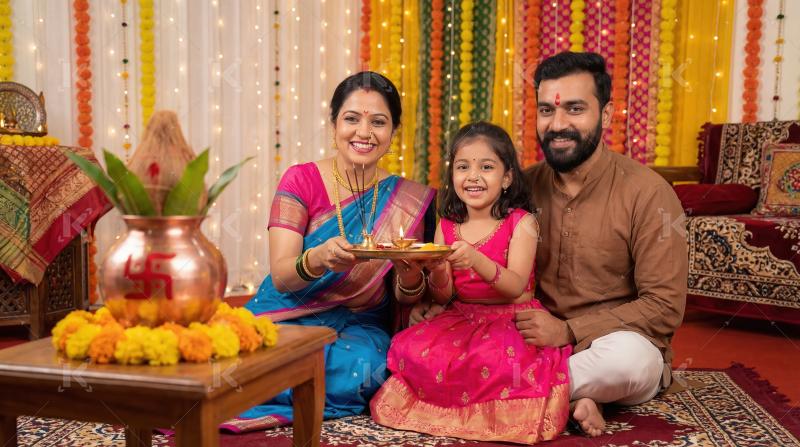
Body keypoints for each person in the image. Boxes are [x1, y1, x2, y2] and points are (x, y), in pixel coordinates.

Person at [412, 52, 688, 438]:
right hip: (523, 340)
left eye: (575, 109)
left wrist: (568, 331)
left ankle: (501, 392)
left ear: (607, 114)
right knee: (437, 347)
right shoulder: (518, 189)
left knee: (629, 362)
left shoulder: (647, 194)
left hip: (606, 344)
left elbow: (664, 306)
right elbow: (481, 259)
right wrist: (440, 301)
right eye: (547, 110)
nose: (557, 125)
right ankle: (570, 399)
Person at [221, 71, 436, 433]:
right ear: (334, 124)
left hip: (360, 326)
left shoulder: (411, 199)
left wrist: (410, 274)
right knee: (235, 356)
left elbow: (408, 298)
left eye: (378, 122)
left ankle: (268, 387)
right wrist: (317, 259)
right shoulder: (300, 180)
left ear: (393, 131)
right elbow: (282, 276)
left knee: (362, 369)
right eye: (352, 119)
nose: (364, 132)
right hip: (288, 313)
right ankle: (273, 382)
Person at [370, 122, 572, 444]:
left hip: (510, 320)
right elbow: (445, 295)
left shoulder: (521, 223)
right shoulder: (448, 224)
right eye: (463, 167)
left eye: (486, 167)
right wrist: (437, 269)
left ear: (507, 178)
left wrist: (477, 260)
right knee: (413, 348)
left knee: (495, 362)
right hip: (463, 317)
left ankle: (511, 416)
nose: (473, 176)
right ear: (452, 175)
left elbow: (516, 286)